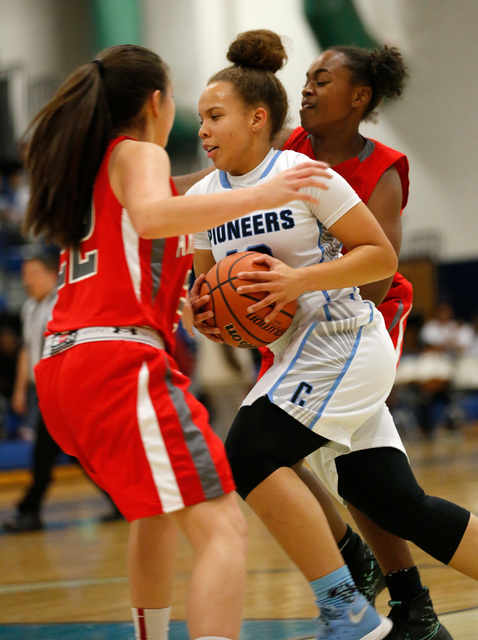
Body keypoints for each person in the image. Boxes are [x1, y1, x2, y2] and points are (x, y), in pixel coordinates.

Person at [21, 43, 332, 640]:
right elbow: (158, 215)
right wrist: (267, 194)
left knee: (154, 514)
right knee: (224, 530)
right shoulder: (138, 152)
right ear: (157, 102)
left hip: (65, 368)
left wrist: (179, 305)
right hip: (116, 364)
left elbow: (142, 231)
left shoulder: (90, 169)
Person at [189, 29, 478, 640]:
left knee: (248, 450)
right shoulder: (202, 198)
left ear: (257, 118)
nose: (204, 131)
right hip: (294, 353)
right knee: (393, 500)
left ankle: (346, 604)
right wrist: (206, 315)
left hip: (346, 333)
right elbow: (209, 299)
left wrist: (298, 283)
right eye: (200, 119)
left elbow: (381, 258)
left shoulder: (306, 172)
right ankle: (405, 605)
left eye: (215, 116)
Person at [266, 44, 452, 639]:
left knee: (298, 455)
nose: (307, 89)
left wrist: (307, 268)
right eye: (307, 79)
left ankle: (372, 572)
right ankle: (401, 594)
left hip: (365, 322)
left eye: (323, 80)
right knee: (346, 471)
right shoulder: (290, 150)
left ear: (360, 97)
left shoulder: (383, 168)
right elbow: (226, 194)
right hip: (303, 325)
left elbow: (374, 276)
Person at [2, 252, 122, 533]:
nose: (26, 281)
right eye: (23, 275)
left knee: (45, 454)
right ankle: (120, 501)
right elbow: (26, 350)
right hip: (44, 392)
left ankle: (29, 511)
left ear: (50, 275)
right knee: (79, 455)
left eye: (32, 274)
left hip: (64, 391)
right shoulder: (30, 307)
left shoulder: (64, 303)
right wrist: (20, 390)